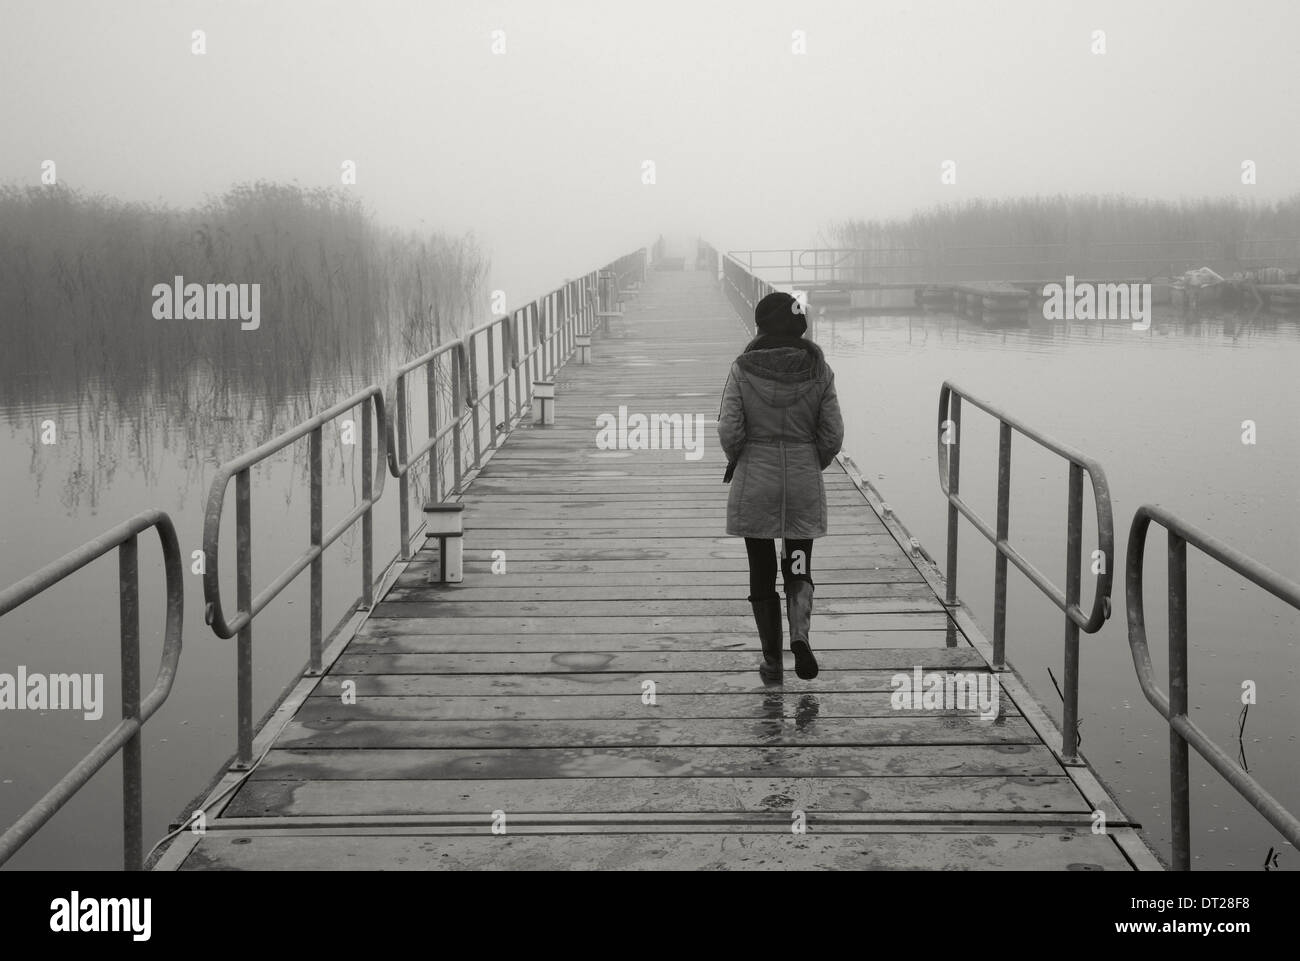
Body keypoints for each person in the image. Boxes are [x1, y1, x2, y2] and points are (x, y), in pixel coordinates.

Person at [717, 291, 844, 684]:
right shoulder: (819, 368)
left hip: (756, 482)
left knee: (761, 569)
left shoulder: (743, 368)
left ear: (761, 327)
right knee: (798, 563)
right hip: (802, 482)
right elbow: (833, 435)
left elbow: (729, 429)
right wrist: (811, 462)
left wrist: (744, 458)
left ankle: (772, 661)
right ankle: (801, 638)